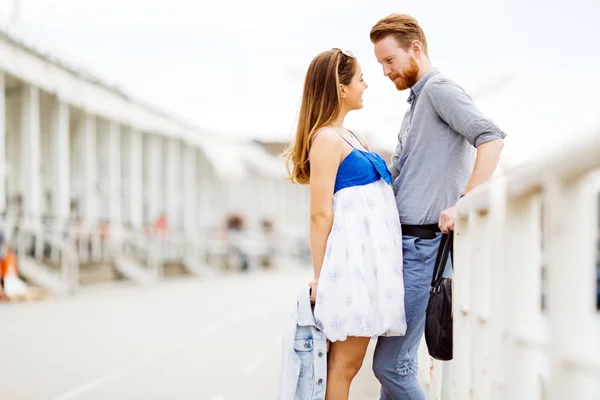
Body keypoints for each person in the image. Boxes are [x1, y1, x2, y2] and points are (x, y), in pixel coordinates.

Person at [369, 14, 506, 399]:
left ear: (415, 49)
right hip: (407, 248)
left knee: (390, 366)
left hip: (426, 248)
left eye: (389, 60)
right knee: (400, 367)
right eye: (380, 64)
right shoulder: (415, 104)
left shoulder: (440, 90)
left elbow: (491, 138)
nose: (384, 71)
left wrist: (465, 202)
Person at [285, 48, 407, 399]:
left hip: (369, 268)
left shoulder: (350, 135)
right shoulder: (326, 139)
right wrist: (322, 278)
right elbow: (320, 213)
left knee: (345, 367)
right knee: (343, 368)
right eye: (360, 79)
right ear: (341, 88)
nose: (366, 85)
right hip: (351, 270)